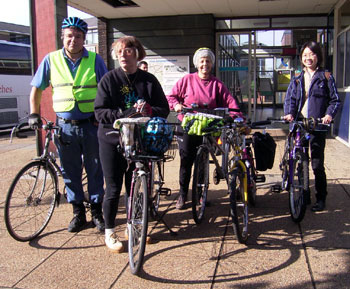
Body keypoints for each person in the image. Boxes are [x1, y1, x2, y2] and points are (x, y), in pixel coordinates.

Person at [28, 17, 107, 233]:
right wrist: (34, 114)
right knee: (70, 172)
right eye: (69, 35)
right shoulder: (51, 60)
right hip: (65, 127)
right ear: (63, 36)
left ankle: (97, 212)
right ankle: (78, 213)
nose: (73, 40)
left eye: (78, 36)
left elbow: (105, 89)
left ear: (84, 39)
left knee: (95, 169)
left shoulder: (95, 60)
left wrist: (101, 114)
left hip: (91, 124)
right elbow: (37, 88)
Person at [94, 36, 169, 253]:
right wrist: (122, 114)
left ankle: (133, 226)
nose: (123, 55)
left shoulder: (149, 80)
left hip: (140, 139)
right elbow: (99, 112)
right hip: (111, 139)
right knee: (114, 188)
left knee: (136, 187)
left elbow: (163, 109)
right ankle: (109, 232)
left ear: (137, 54)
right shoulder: (109, 79)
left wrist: (150, 110)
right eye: (119, 52)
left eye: (128, 51)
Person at [167, 47, 243, 210]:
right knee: (186, 160)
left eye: (208, 61)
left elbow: (230, 102)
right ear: (197, 63)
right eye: (202, 61)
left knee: (202, 161)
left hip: (208, 126)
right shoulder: (187, 80)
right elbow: (171, 97)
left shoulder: (217, 84)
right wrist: (177, 105)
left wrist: (237, 116)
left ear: (212, 64)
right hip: (188, 124)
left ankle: (201, 195)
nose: (205, 64)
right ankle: (182, 194)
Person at [283, 40, 341, 212]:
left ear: (318, 57)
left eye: (312, 54)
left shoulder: (326, 76)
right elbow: (290, 100)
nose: (308, 58)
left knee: (317, 163)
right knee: (300, 161)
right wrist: (289, 114)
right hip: (300, 124)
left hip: (317, 125)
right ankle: (304, 194)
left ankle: (321, 197)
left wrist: (329, 115)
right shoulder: (297, 79)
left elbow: (335, 100)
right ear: (301, 58)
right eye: (305, 55)